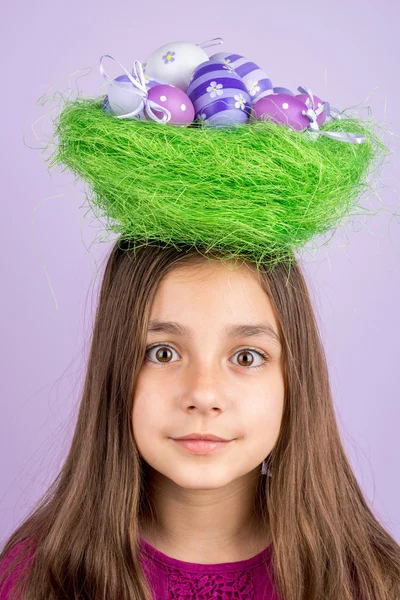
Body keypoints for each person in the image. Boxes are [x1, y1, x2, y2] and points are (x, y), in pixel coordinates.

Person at [1, 38, 400, 600]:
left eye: (246, 356)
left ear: (296, 376)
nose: (204, 394)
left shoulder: (370, 582)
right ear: (114, 364)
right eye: (163, 352)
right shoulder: (36, 578)